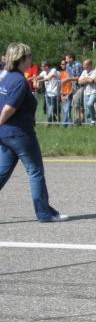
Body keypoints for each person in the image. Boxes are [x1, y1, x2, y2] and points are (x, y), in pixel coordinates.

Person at [0, 43, 68, 222]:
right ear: (22, 59)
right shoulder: (19, 81)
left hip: (6, 135)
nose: (32, 59)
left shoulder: (6, 78)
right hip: (20, 133)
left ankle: (47, 210)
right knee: (35, 172)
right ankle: (44, 213)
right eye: (29, 56)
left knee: (2, 172)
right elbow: (8, 109)